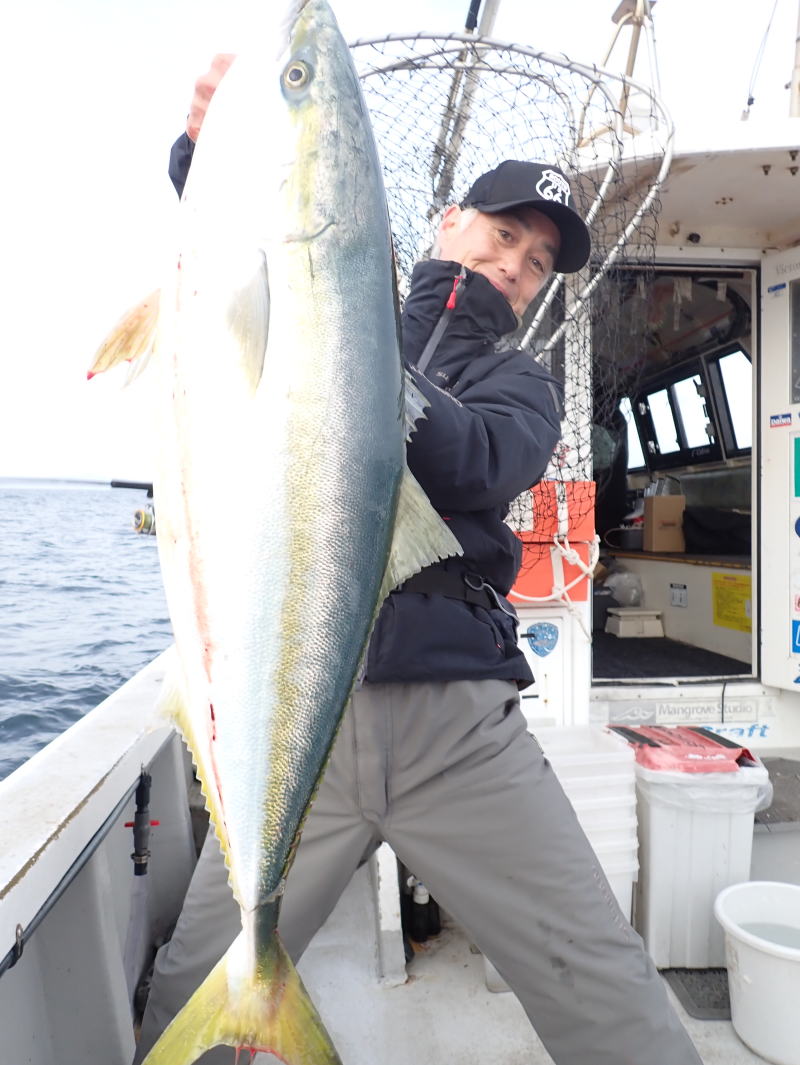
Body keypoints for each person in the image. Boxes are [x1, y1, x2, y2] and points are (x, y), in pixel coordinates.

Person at [134, 56, 703, 1065]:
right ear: (448, 223)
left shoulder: (519, 382)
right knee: (198, 977)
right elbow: (238, 297)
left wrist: (351, 359)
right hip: (307, 711)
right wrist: (209, 164)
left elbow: (481, 459)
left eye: (537, 262)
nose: (516, 265)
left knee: (602, 978)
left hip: (460, 728)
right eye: (504, 235)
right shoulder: (332, 314)